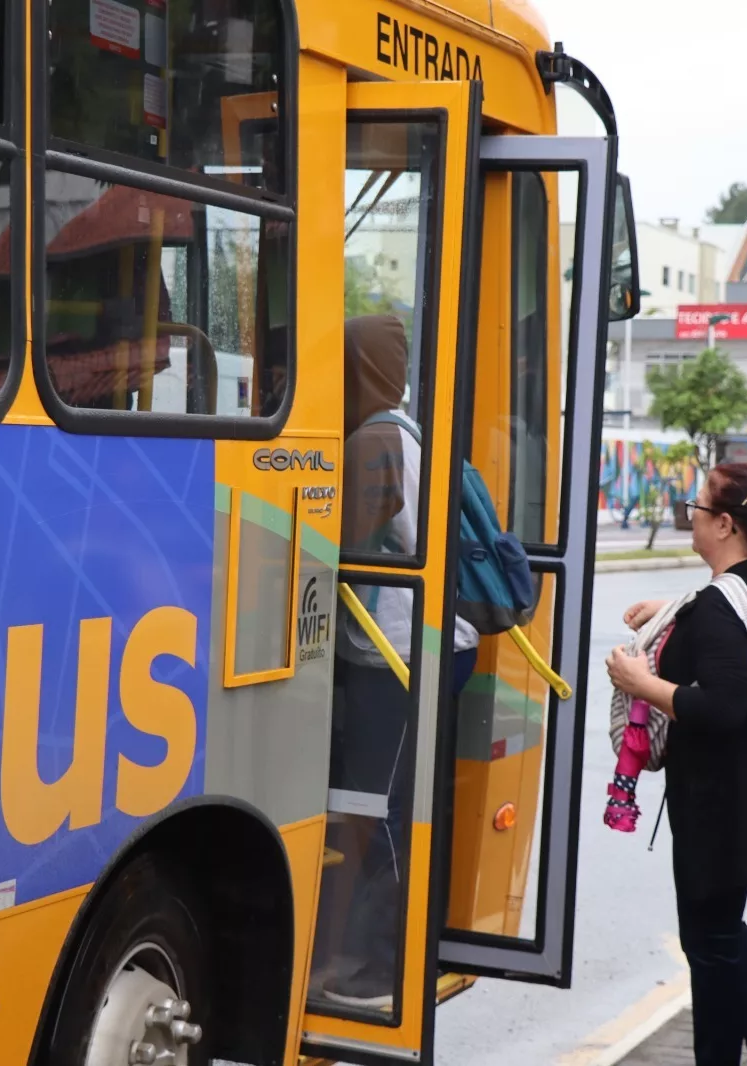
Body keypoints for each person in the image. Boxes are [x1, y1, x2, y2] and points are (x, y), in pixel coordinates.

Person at [605, 462, 747, 1066]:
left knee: (712, 936)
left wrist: (640, 683)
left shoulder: (724, 607)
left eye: (697, 508)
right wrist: (675, 609)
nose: (690, 516)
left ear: (724, 524)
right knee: (715, 932)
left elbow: (723, 707)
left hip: (721, 792)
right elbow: (737, 608)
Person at [311, 313, 480, 1010]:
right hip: (406, 649)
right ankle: (370, 955)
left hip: (408, 653)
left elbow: (336, 538)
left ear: (356, 368)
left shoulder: (377, 440)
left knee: (381, 811)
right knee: (377, 804)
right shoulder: (400, 429)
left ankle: (379, 970)